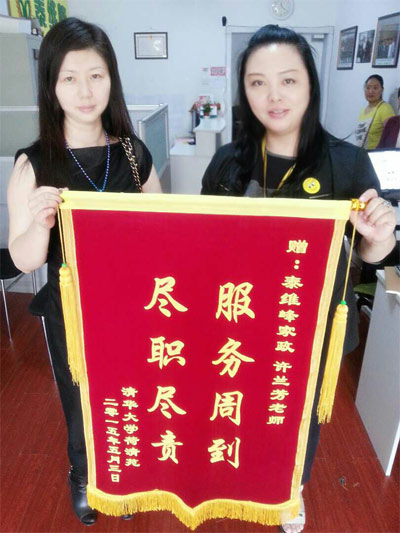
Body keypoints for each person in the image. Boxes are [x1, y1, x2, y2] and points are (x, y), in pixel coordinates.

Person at [201, 25, 396, 533]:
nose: (274, 96)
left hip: (305, 325)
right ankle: (235, 470)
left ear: (310, 84)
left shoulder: (346, 162)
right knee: (238, 399)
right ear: (244, 91)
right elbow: (203, 246)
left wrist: (379, 236)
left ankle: (291, 489)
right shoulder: (227, 162)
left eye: (288, 80)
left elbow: (371, 254)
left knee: (296, 413)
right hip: (238, 319)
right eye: (258, 83)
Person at [7, 17, 161, 527]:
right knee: (80, 398)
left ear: (111, 78)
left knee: (133, 392)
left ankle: (128, 472)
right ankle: (83, 474)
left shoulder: (133, 154)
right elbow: (24, 259)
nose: (85, 91)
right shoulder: (34, 164)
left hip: (135, 305)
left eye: (96, 75)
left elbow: (162, 230)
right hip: (71, 311)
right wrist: (39, 224)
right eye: (69, 78)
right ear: (51, 87)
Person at [355, 74, 395, 150]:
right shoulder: (362, 111)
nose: (371, 91)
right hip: (362, 153)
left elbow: (392, 136)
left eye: (375, 88)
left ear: (382, 90)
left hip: (376, 154)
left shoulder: (385, 108)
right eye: (368, 88)